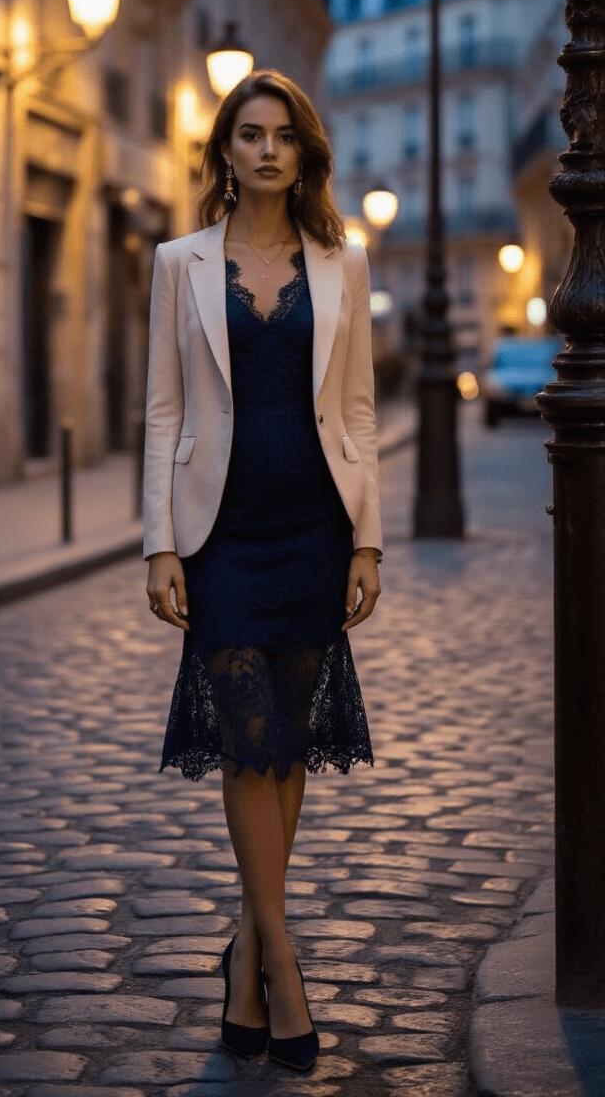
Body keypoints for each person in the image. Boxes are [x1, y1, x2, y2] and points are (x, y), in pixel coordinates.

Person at [143, 69, 382, 1072]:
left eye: (284, 134)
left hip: (315, 524)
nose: (268, 149)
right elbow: (163, 409)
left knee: (284, 749)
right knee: (248, 743)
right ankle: (281, 962)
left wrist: (367, 537)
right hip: (221, 529)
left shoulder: (343, 261)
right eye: (250, 134)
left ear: (304, 151)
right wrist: (159, 540)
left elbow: (361, 411)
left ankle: (244, 960)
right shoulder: (177, 262)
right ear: (225, 151)